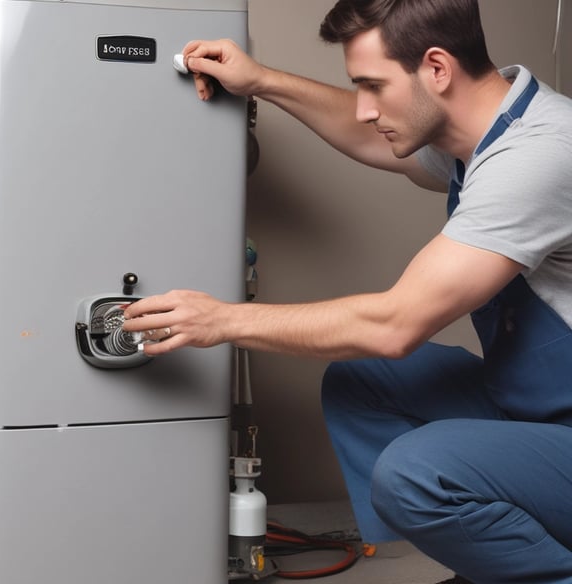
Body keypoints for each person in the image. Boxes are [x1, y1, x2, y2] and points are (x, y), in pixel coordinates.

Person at [122, 0, 572, 582]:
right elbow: (372, 139)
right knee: (362, 380)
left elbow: (394, 326)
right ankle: (495, 557)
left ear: (437, 68)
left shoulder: (539, 155)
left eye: (373, 86)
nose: (364, 109)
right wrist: (261, 80)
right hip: (541, 415)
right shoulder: (489, 126)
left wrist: (220, 321)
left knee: (416, 471)